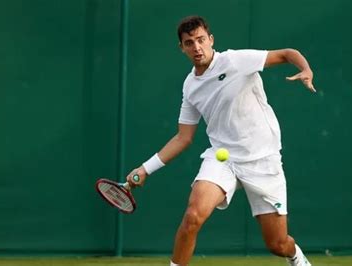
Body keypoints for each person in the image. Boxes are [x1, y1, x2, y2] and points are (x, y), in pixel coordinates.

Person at [126, 15, 315, 266]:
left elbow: (286, 53)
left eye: (201, 40)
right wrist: (145, 168)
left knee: (277, 244)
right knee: (193, 217)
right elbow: (183, 138)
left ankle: (295, 256)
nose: (197, 47)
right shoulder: (190, 86)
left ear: (211, 40)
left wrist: (305, 69)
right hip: (222, 158)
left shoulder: (236, 60)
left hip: (263, 159)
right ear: (181, 48)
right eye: (189, 43)